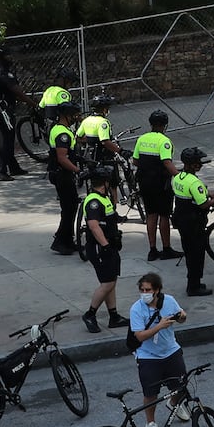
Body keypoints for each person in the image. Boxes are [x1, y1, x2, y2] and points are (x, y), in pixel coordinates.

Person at [129, 272, 189, 427]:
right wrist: (159, 326)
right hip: (148, 356)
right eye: (142, 290)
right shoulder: (136, 309)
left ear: (157, 290)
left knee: (181, 387)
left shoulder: (169, 301)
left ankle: (173, 403)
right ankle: (150, 422)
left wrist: (182, 317)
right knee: (151, 394)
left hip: (171, 350)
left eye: (148, 290)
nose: (144, 294)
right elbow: (140, 335)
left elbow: (181, 317)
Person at [79, 165, 128, 335]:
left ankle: (113, 316)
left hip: (109, 246)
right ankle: (89, 314)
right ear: (105, 183)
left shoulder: (103, 197)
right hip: (101, 248)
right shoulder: (93, 201)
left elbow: (109, 215)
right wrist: (105, 245)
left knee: (111, 281)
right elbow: (93, 226)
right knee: (107, 283)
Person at [170, 147, 214, 297]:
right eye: (198, 162)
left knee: (189, 252)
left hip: (181, 220)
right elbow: (203, 204)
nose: (201, 164)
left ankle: (194, 283)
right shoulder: (194, 182)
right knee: (196, 254)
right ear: (192, 164)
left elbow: (191, 194)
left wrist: (208, 193)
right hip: (193, 223)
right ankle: (194, 286)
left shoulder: (179, 177)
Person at [133, 110, 180, 262]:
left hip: (144, 183)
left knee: (151, 215)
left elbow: (135, 161)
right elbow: (167, 162)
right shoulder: (164, 141)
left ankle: (152, 250)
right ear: (164, 125)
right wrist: (180, 176)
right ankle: (166, 248)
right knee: (164, 216)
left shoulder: (142, 139)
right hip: (161, 184)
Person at [47, 101, 83, 255]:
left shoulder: (58, 128)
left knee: (71, 207)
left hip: (59, 173)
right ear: (66, 116)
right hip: (62, 174)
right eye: (74, 115)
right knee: (69, 208)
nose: (77, 117)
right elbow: (62, 158)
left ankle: (68, 239)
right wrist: (78, 170)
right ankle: (60, 241)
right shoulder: (63, 134)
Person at [0, 46, 28, 181]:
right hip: (2, 108)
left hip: (1, 107)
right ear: (2, 57)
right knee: (8, 138)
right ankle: (0, 170)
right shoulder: (2, 72)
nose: (11, 58)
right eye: (8, 55)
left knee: (9, 136)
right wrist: (32, 103)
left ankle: (13, 167)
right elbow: (17, 91)